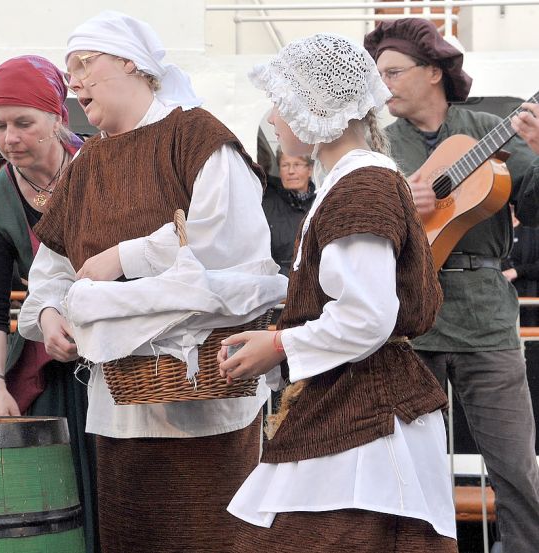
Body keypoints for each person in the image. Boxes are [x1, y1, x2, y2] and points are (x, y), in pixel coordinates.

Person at [18, 12, 286, 552]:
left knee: (212, 537)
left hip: (205, 400)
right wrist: (48, 316)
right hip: (118, 407)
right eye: (69, 69)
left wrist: (125, 257)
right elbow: (52, 270)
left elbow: (229, 247)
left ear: (130, 63)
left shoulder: (196, 134)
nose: (74, 82)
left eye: (84, 64)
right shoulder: (87, 162)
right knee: (130, 537)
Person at [218, 32, 456, 552]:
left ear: (314, 108)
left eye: (281, 105)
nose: (274, 120)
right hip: (351, 404)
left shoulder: (362, 184)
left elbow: (368, 316)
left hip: (367, 417)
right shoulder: (353, 180)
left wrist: (278, 345)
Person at [365, 19, 539, 551]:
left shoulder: (487, 125)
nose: (383, 83)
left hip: (486, 319)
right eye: (379, 74)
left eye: (393, 71)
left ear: (434, 72)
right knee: (407, 470)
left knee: (516, 467)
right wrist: (397, 208)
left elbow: (533, 207)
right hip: (408, 322)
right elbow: (347, 229)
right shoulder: (378, 144)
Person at [0, 54, 97, 552]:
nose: (9, 138)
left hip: (121, 355)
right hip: (52, 363)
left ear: (58, 117)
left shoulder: (100, 167)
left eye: (24, 123)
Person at [262, 146, 315, 276]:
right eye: (285, 165)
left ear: (309, 170)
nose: (291, 171)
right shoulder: (265, 205)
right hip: (279, 284)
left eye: (297, 164)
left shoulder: (320, 204)